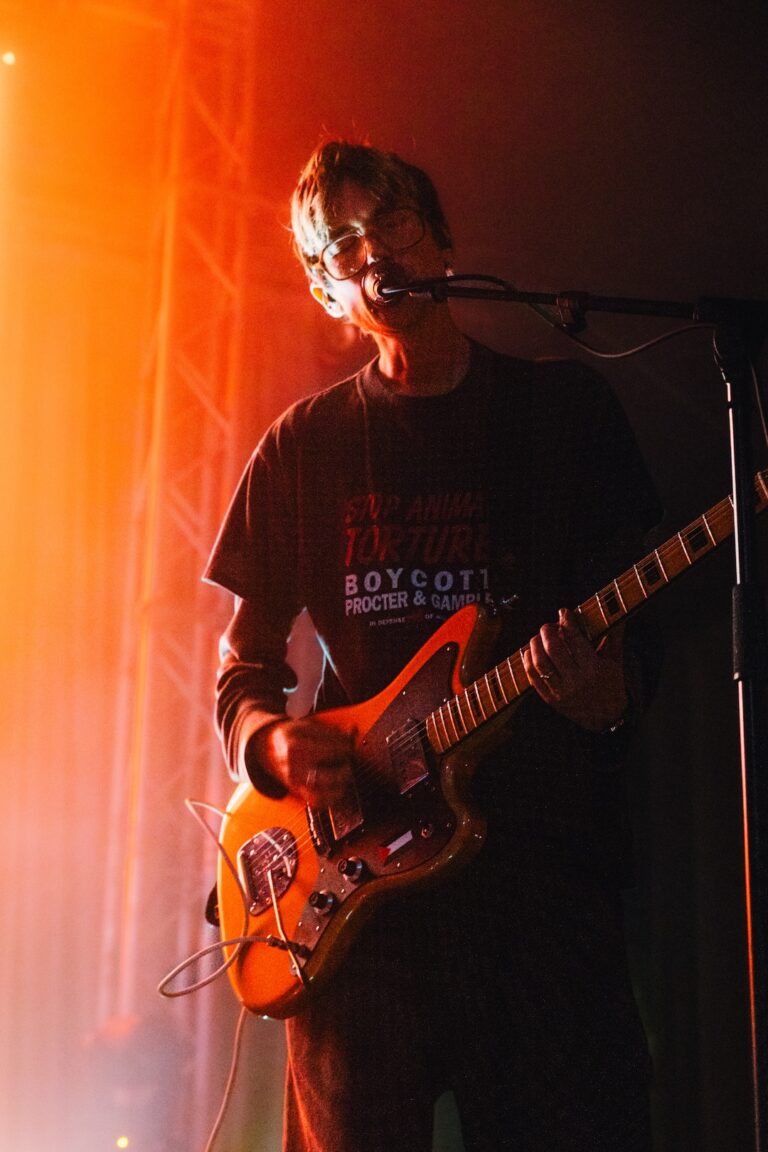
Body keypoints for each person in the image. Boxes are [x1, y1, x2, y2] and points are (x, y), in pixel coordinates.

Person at [204, 139, 662, 1152]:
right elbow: (244, 666)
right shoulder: (304, 447)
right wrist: (273, 745)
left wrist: (602, 692)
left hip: (540, 889)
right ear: (327, 292)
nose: (376, 254)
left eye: (394, 223)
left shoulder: (563, 413)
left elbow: (643, 642)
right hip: (363, 907)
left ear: (442, 241)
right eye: (344, 245)